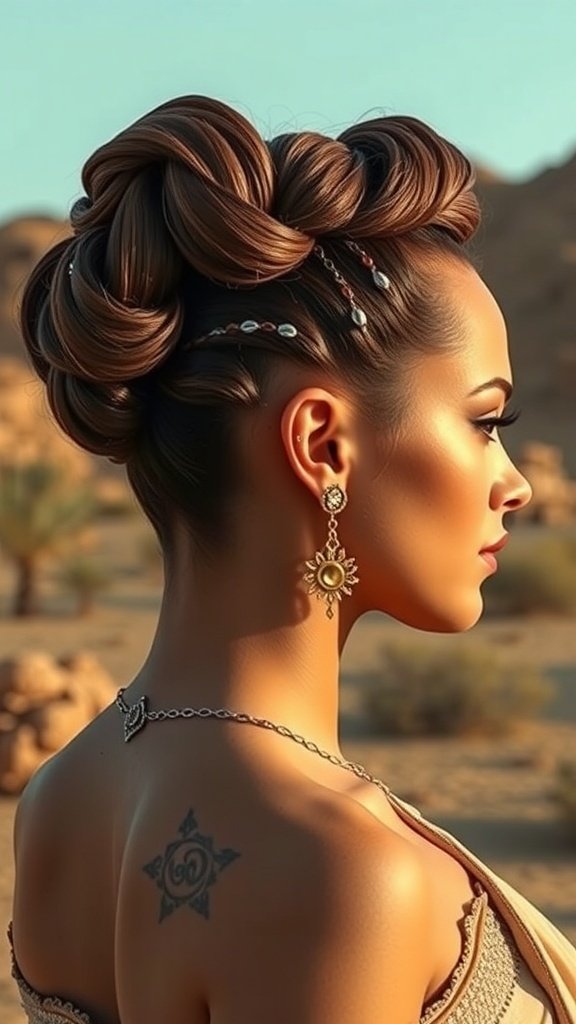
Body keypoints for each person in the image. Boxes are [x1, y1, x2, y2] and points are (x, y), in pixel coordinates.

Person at [9, 94, 576, 1024]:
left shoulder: (60, 801)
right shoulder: (342, 873)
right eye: (484, 423)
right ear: (321, 446)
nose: (514, 483)